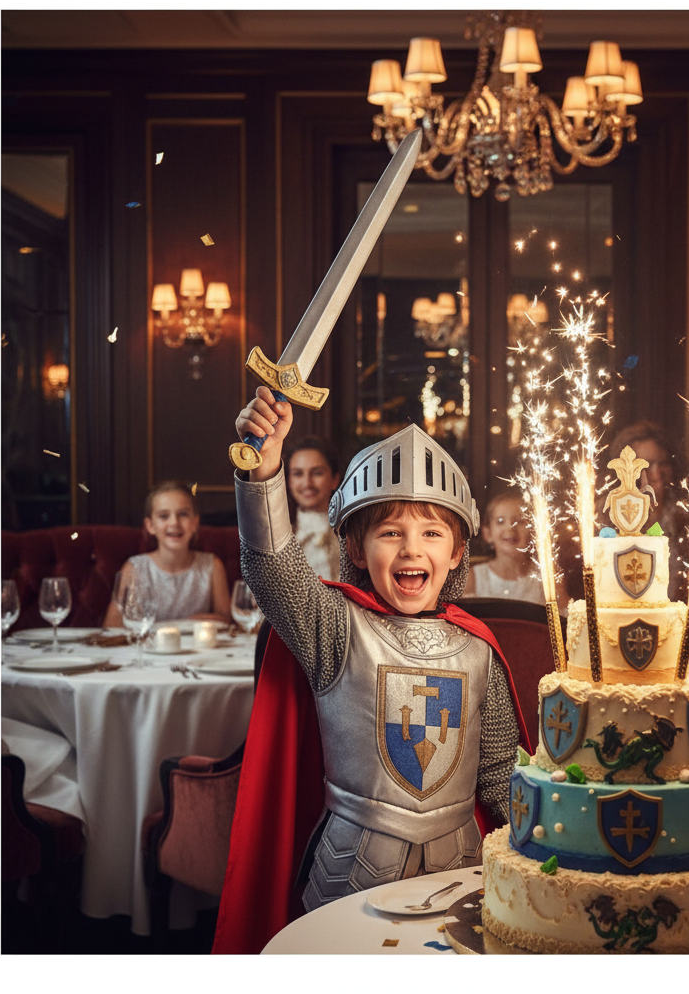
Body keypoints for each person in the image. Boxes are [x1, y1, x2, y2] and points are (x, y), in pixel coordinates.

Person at [213, 388, 530, 953]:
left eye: (433, 533)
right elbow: (272, 570)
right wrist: (262, 474)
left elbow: (502, 776)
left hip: (463, 869)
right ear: (356, 549)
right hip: (349, 870)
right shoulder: (336, 628)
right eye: (390, 532)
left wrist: (545, 860)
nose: (412, 550)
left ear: (458, 552)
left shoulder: (478, 650)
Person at [103, 481, 231, 626]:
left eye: (183, 514)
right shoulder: (134, 568)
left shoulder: (212, 566)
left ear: (195, 523)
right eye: (164, 516)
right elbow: (112, 624)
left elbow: (226, 619)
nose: (174, 523)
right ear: (150, 526)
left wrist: (188, 622)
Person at [607, 420, 688, 600]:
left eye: (663, 463)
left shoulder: (687, 516)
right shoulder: (610, 516)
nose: (657, 473)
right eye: (647, 465)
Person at [464, 491, 557, 605]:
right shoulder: (473, 579)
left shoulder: (546, 579)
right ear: (488, 533)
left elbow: (563, 617)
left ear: (533, 531)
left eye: (520, 521)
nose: (510, 528)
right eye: (500, 521)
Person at [285, 435, 341, 581]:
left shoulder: (351, 537)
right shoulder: (278, 540)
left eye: (317, 473)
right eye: (298, 474)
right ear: (289, 481)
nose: (307, 483)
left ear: (334, 479)